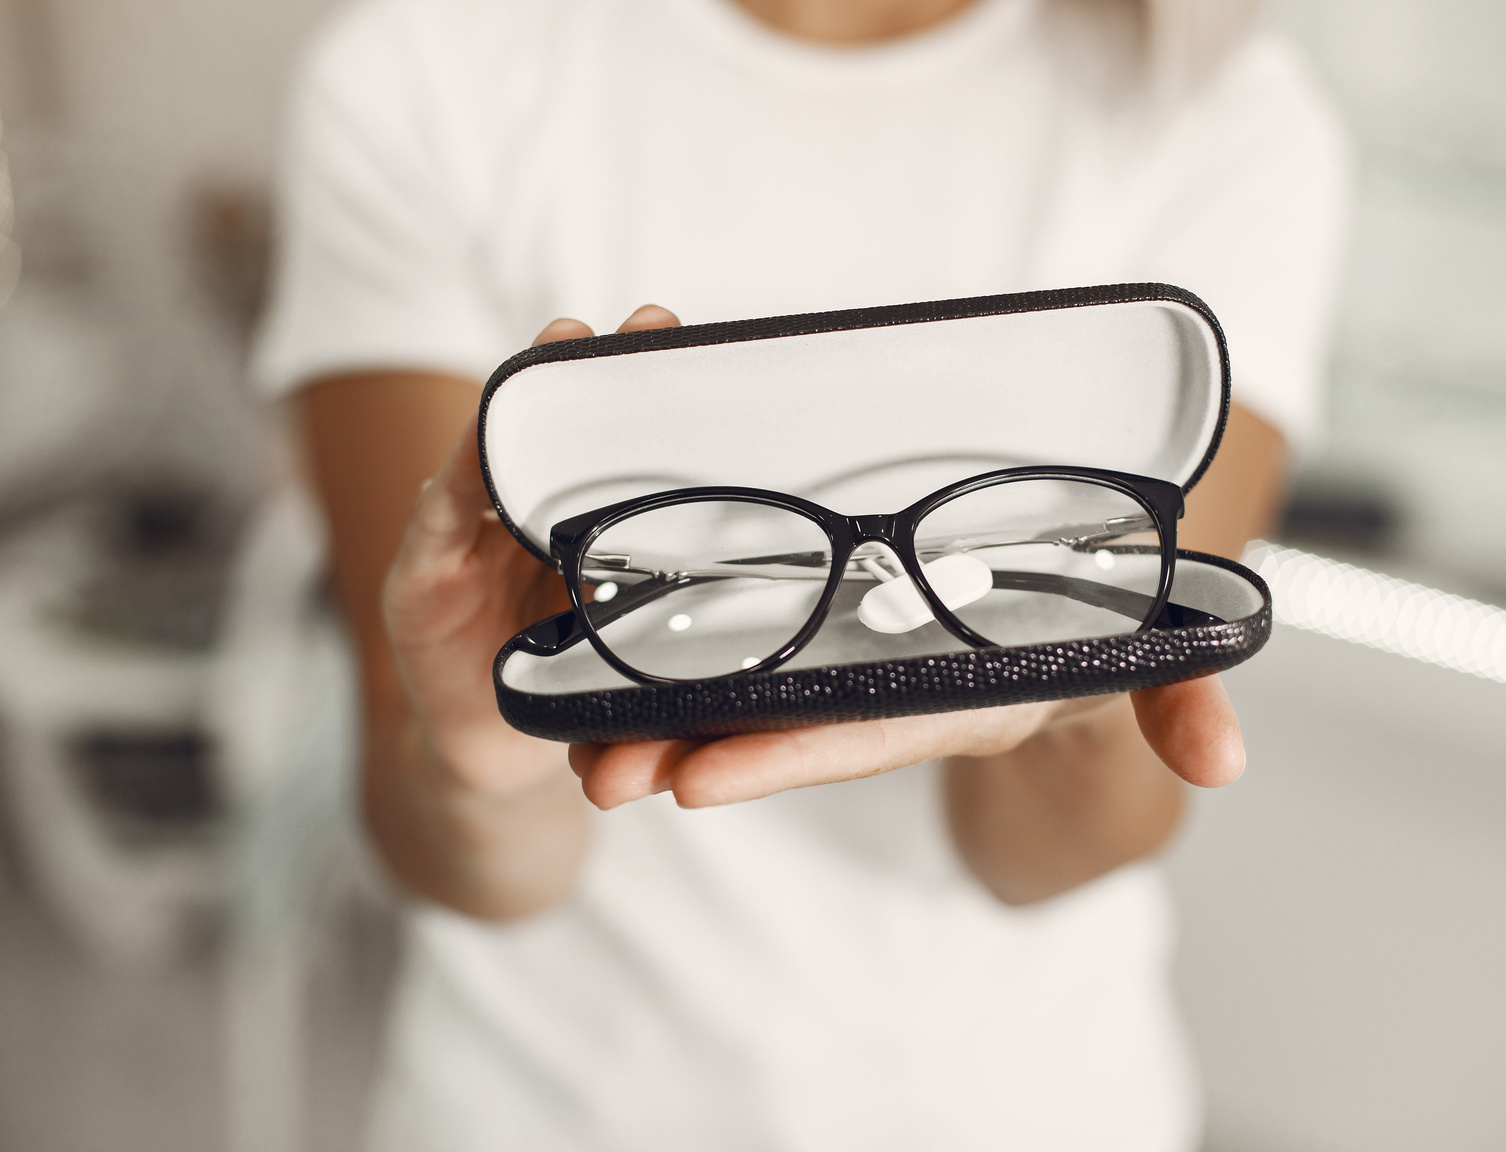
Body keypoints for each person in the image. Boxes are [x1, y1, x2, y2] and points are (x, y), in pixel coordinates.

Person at [255, 0, 1350, 1146]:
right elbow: (449, 835)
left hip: (1020, 1106)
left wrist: (1077, 713)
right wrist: (479, 771)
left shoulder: (1222, 109)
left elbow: (1052, 853)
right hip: (544, 1105)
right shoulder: (427, 69)